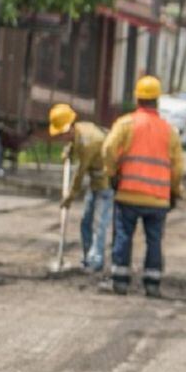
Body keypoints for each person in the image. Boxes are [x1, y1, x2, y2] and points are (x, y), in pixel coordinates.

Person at [103, 76, 184, 298]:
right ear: (157, 101)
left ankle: (119, 280)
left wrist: (112, 174)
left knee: (123, 236)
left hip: (128, 193)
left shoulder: (126, 124)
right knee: (154, 240)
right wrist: (174, 191)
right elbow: (177, 168)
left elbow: (108, 148)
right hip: (158, 198)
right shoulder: (169, 131)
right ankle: (152, 283)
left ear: (137, 99)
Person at [48, 103, 113, 271]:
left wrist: (70, 196)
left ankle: (96, 261)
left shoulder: (88, 141)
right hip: (95, 182)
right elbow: (76, 145)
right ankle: (87, 258)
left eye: (62, 134)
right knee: (86, 222)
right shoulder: (80, 131)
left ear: (69, 127)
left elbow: (80, 172)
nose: (61, 138)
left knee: (99, 224)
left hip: (106, 184)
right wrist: (69, 149)